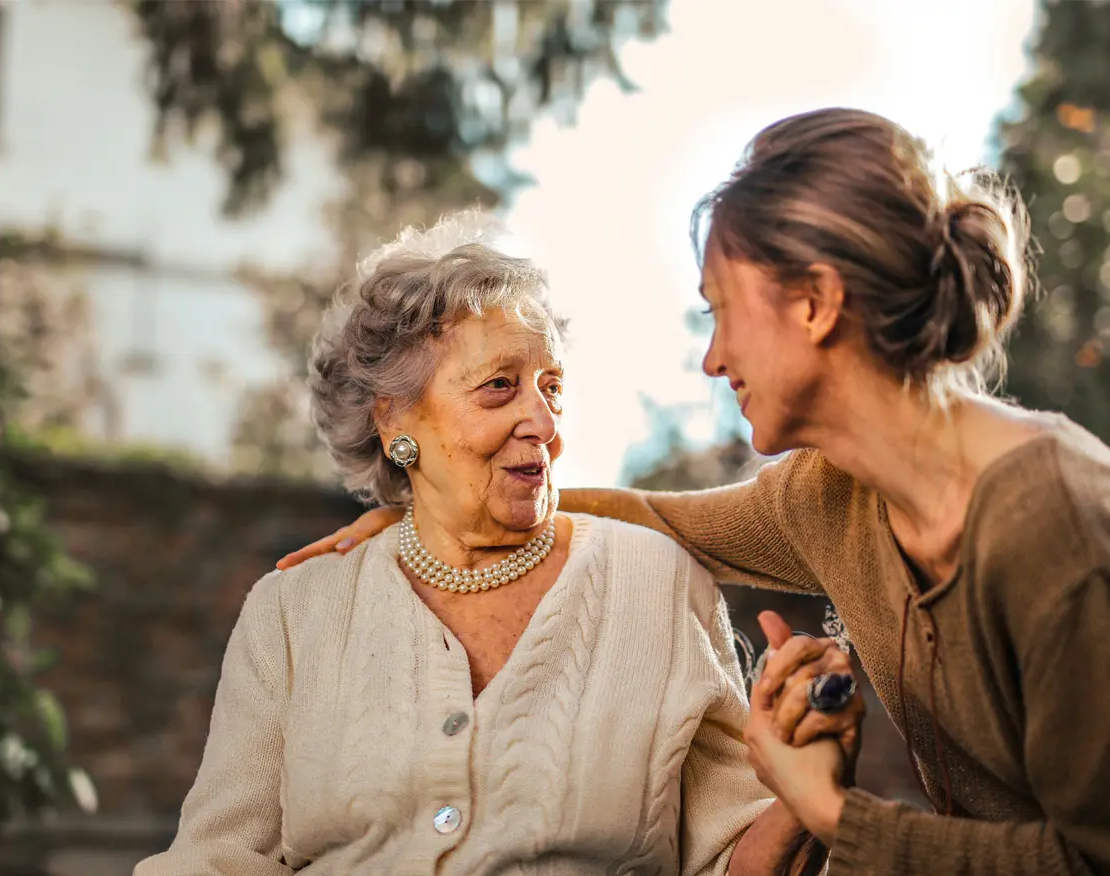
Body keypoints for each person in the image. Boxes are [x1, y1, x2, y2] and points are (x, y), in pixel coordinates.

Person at [276, 108, 1110, 876]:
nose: (712, 359)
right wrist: (429, 494)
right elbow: (654, 517)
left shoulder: (1054, 524)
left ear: (816, 304)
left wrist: (826, 806)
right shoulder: (830, 496)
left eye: (721, 311)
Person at [136, 212, 851, 876]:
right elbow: (216, 859)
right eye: (499, 387)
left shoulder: (655, 584)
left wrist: (802, 793)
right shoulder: (295, 611)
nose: (542, 421)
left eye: (552, 388)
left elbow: (731, 860)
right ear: (394, 423)